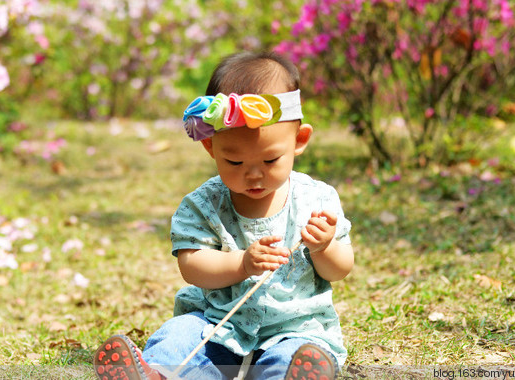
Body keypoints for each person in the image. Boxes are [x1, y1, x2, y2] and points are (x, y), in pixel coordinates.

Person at [93, 52, 354, 380]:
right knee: (180, 336)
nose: (254, 175)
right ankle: (156, 374)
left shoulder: (316, 200)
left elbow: (341, 269)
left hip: (294, 328)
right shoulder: (203, 204)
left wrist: (324, 247)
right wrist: (242, 264)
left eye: (271, 160)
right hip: (216, 324)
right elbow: (192, 267)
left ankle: (289, 375)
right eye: (235, 163)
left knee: (293, 356)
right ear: (211, 148)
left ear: (299, 141)